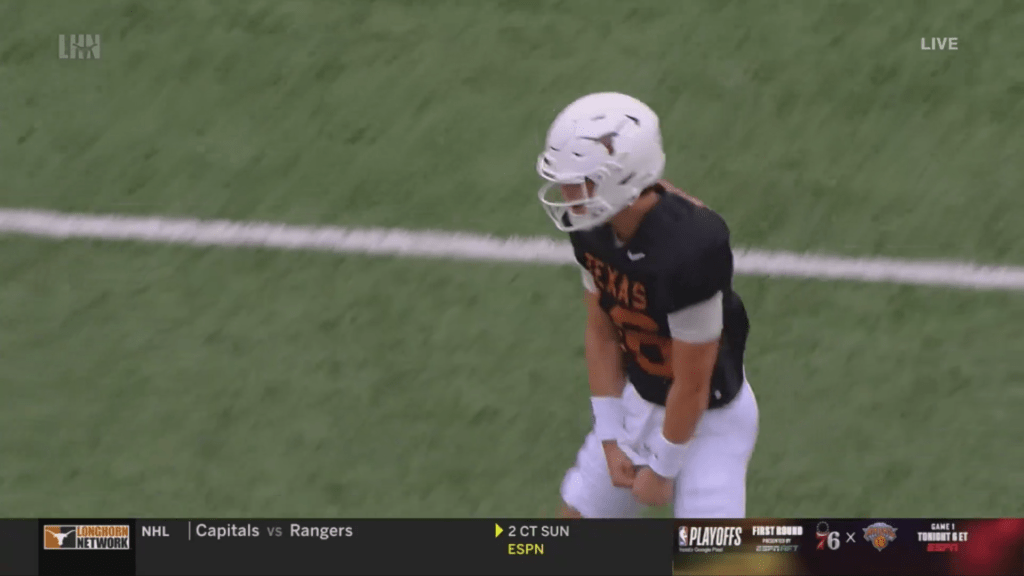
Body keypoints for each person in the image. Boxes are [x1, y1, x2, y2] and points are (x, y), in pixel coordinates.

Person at [536, 92, 759, 518]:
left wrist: (663, 467)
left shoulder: (688, 249)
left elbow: (693, 380)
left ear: (620, 177)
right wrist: (608, 431)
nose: (566, 193)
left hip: (708, 420)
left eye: (577, 180)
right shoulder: (592, 226)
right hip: (641, 400)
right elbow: (601, 331)